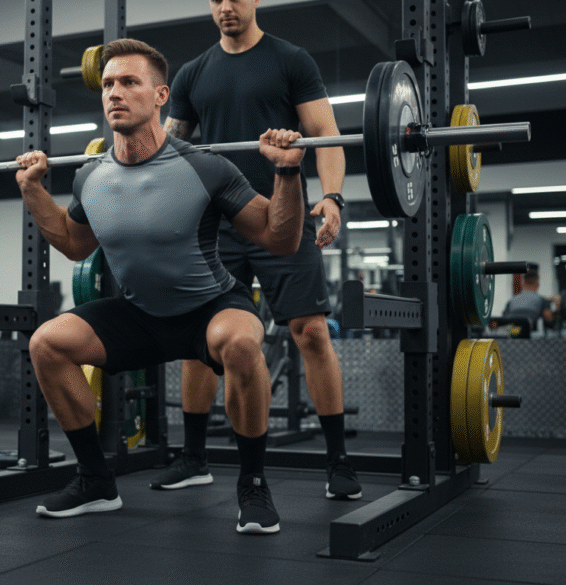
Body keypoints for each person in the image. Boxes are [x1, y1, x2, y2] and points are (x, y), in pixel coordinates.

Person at [15, 38, 308, 534]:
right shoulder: (91, 177)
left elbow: (280, 239)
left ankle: (253, 484)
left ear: (160, 96)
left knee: (240, 342)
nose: (114, 92)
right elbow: (72, 243)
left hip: (210, 306)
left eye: (129, 82)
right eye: (108, 83)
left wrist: (287, 174)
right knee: (46, 344)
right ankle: (95, 481)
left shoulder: (205, 166)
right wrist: (32, 192)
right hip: (140, 315)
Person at [154, 0, 361, 500]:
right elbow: (167, 149)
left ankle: (338, 461)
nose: (226, 6)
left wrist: (332, 197)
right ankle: (195, 458)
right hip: (216, 224)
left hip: (282, 217)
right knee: (201, 342)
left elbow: (325, 135)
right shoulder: (192, 74)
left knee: (310, 331)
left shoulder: (291, 60)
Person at [502, 268, 559, 333]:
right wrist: (557, 308)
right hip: (532, 335)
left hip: (513, 333)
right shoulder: (542, 300)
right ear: (538, 284)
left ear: (522, 284)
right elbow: (548, 318)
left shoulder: (512, 300)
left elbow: (504, 318)